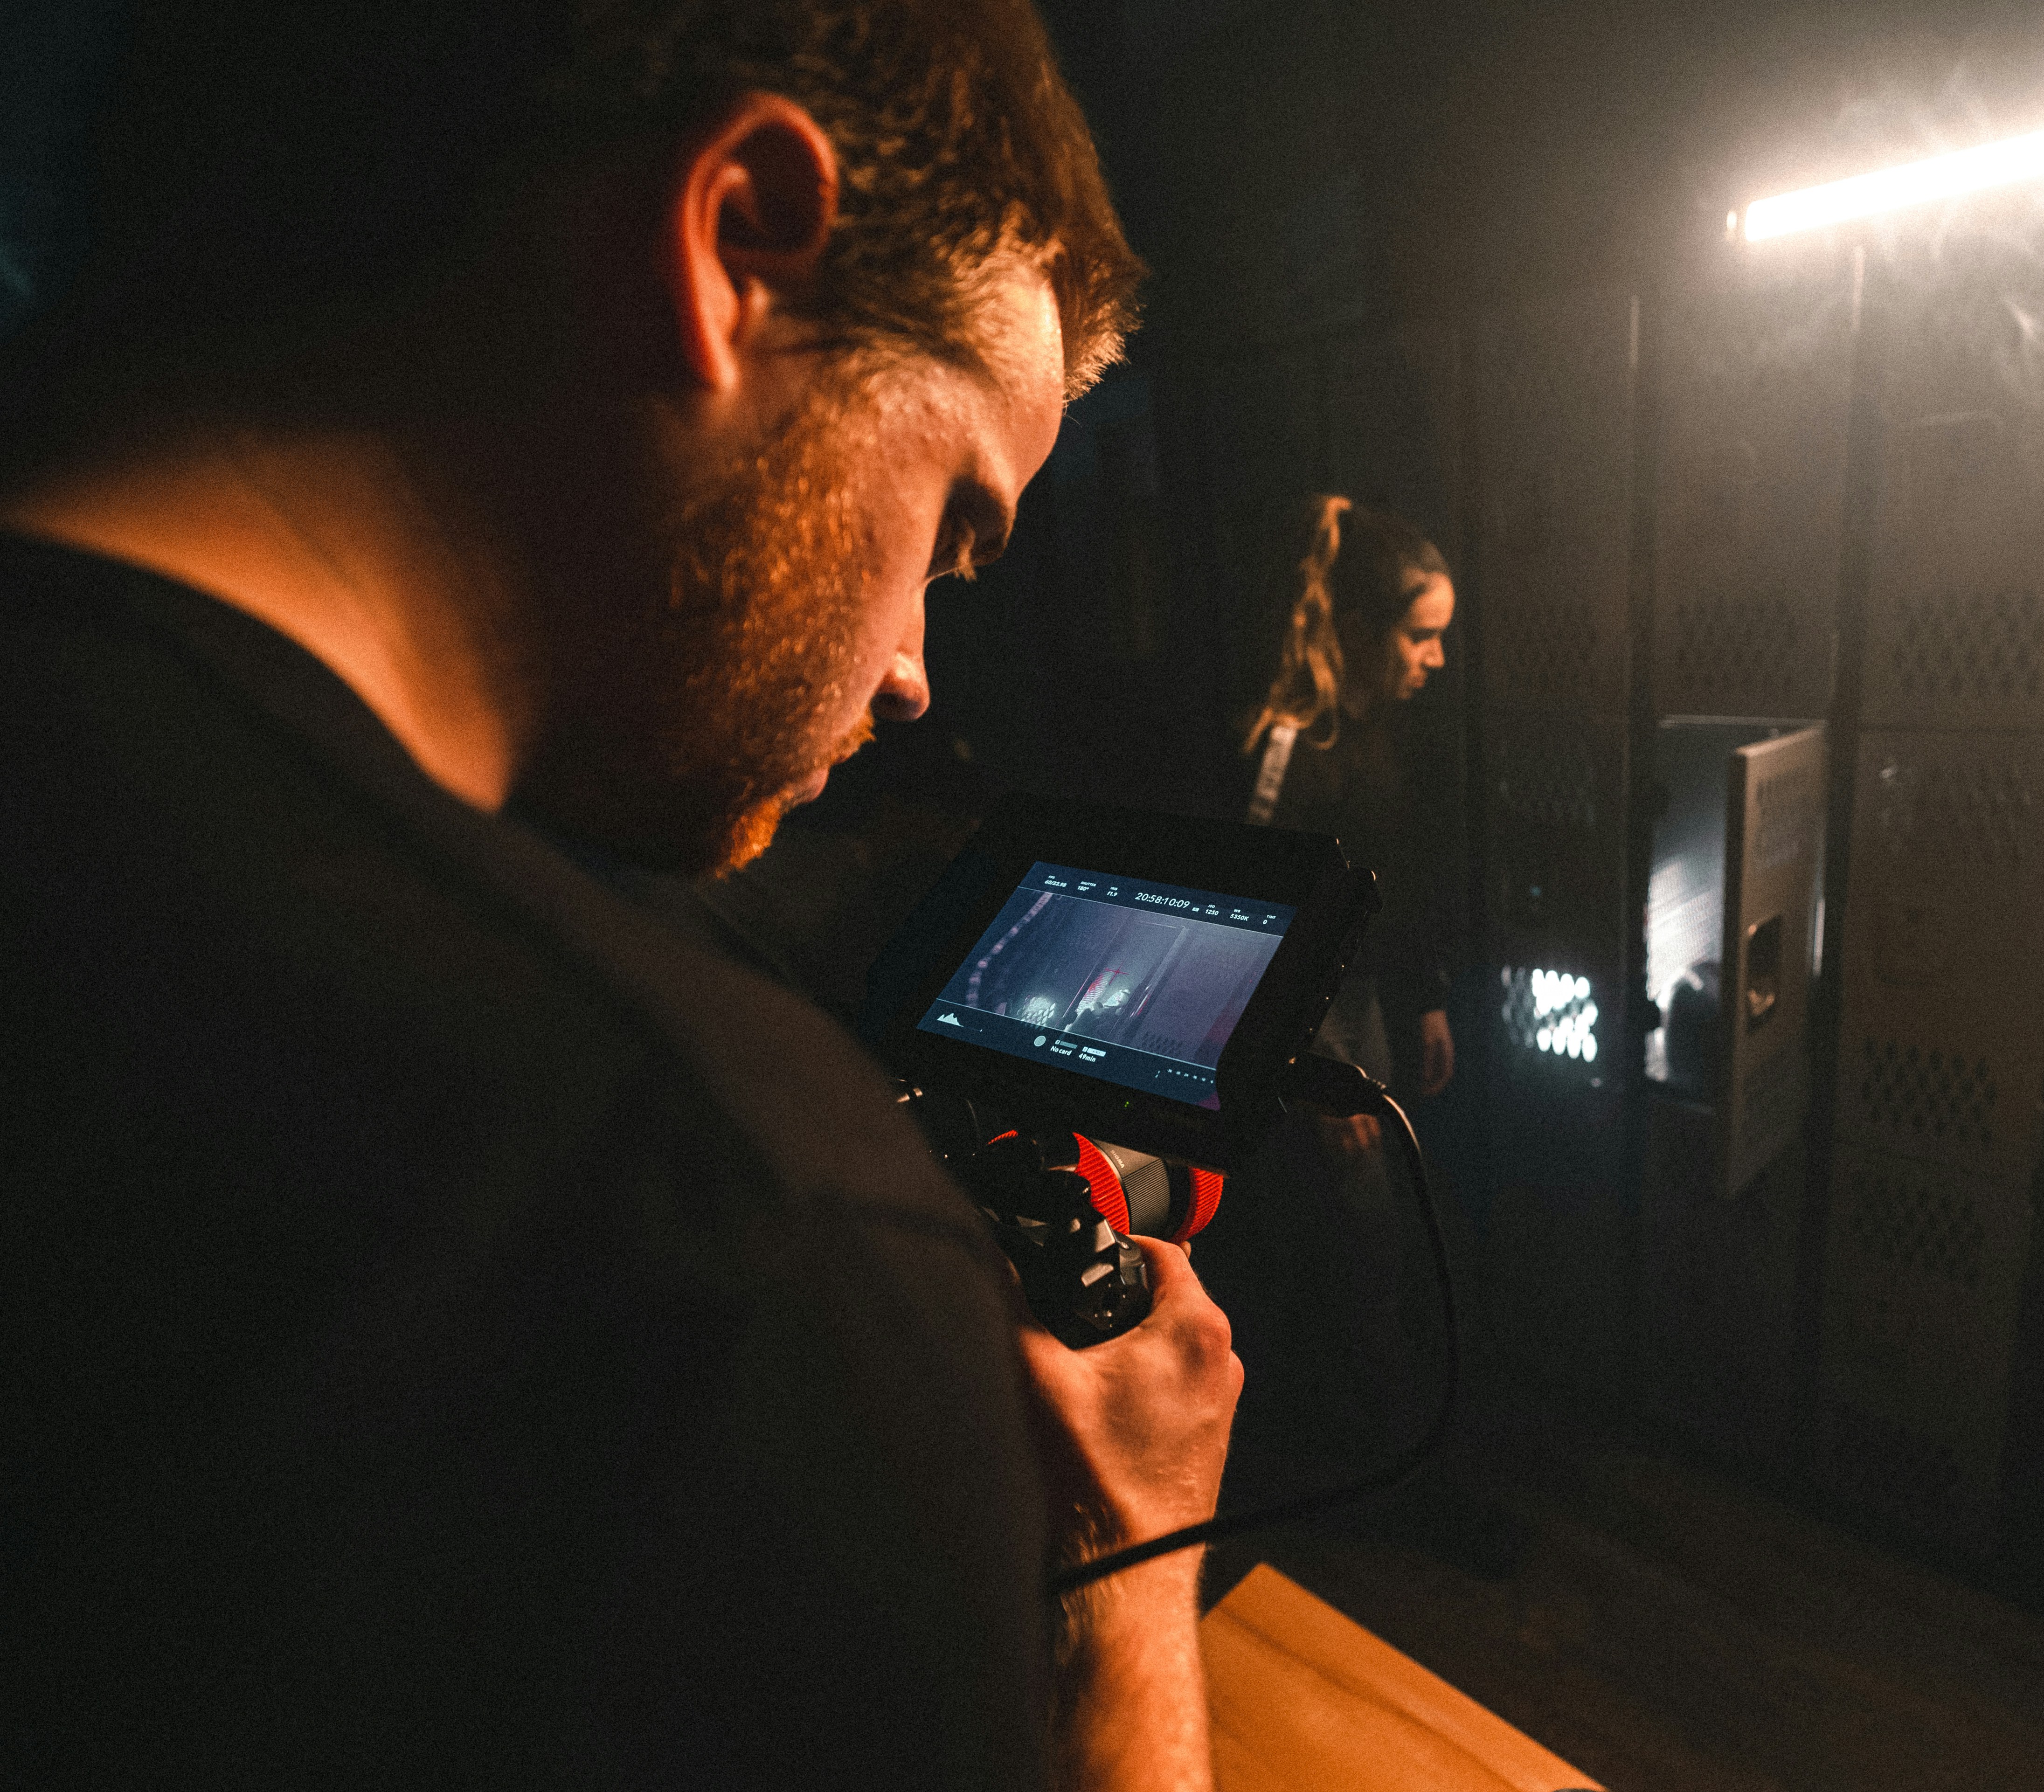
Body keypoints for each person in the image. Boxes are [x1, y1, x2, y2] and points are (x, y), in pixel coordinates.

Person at [0, 3, 1236, 1788]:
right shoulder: (715, 1223)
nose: (914, 674)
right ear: (738, 245)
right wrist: (1132, 1565)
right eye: (955, 518)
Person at [1195, 496, 1457, 1502]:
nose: (1434, 660)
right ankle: (1364, 1468)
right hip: (1308, 1024)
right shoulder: (1285, 747)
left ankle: (1368, 1439)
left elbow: (1389, 886)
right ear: (1355, 629)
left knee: (1372, 1234)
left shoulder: (1376, 731)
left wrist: (1424, 995)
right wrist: (1307, 1070)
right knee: (1349, 1237)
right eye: (1419, 634)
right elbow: (1247, 925)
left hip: (1364, 1004)